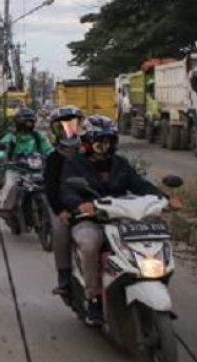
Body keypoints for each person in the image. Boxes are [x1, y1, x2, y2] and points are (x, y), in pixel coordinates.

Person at [59, 115, 182, 327]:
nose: (103, 146)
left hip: (120, 217)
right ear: (87, 142)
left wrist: (165, 198)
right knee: (89, 244)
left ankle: (153, 283)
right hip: (91, 219)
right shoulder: (74, 165)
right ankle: (94, 298)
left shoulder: (120, 164)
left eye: (108, 141)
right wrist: (80, 205)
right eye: (99, 141)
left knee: (153, 239)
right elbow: (67, 190)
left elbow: (140, 184)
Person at [45, 106, 84, 297]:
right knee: (61, 233)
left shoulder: (87, 152)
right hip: (63, 207)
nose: (69, 129)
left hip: (90, 205)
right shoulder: (54, 158)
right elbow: (50, 188)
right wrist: (60, 210)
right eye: (64, 126)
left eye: (73, 124)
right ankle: (65, 277)